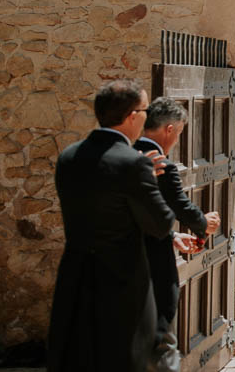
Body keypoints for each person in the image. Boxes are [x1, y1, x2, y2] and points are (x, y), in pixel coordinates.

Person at [47, 79, 176, 372]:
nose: (146, 117)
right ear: (132, 116)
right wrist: (148, 181)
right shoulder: (134, 164)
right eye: (145, 110)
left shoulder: (68, 157)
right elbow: (161, 223)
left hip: (76, 276)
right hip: (122, 284)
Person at [135, 97, 222, 371]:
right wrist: (203, 224)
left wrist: (173, 236)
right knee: (161, 326)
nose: (177, 140)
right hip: (155, 261)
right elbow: (180, 205)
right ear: (170, 130)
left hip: (124, 261)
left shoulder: (125, 157)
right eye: (180, 133)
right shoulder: (161, 165)